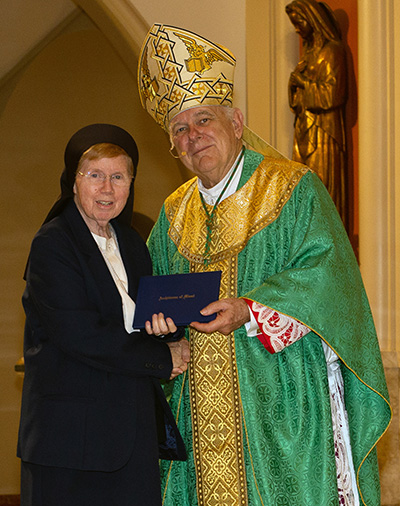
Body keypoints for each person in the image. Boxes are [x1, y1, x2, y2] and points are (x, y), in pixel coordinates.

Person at [138, 24, 391, 506]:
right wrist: (160, 332)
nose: (193, 137)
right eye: (179, 129)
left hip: (280, 409)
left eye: (203, 121)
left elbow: (330, 282)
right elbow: (152, 300)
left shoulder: (292, 189)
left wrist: (250, 310)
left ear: (235, 122)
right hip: (198, 422)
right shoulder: (172, 214)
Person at [17, 123, 189, 506]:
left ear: (131, 185)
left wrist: (164, 332)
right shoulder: (52, 244)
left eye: (118, 177)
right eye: (95, 175)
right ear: (74, 182)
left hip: (131, 440)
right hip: (70, 448)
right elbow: (80, 334)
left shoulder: (132, 242)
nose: (107, 189)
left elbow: (137, 320)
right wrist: (162, 357)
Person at [286, 0, 348, 227]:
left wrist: (302, 81)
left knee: (323, 187)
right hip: (305, 128)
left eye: (299, 21)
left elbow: (333, 95)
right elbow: (297, 99)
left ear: (313, 19)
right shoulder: (308, 55)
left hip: (324, 132)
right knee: (302, 188)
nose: (297, 28)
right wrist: (294, 85)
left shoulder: (333, 52)